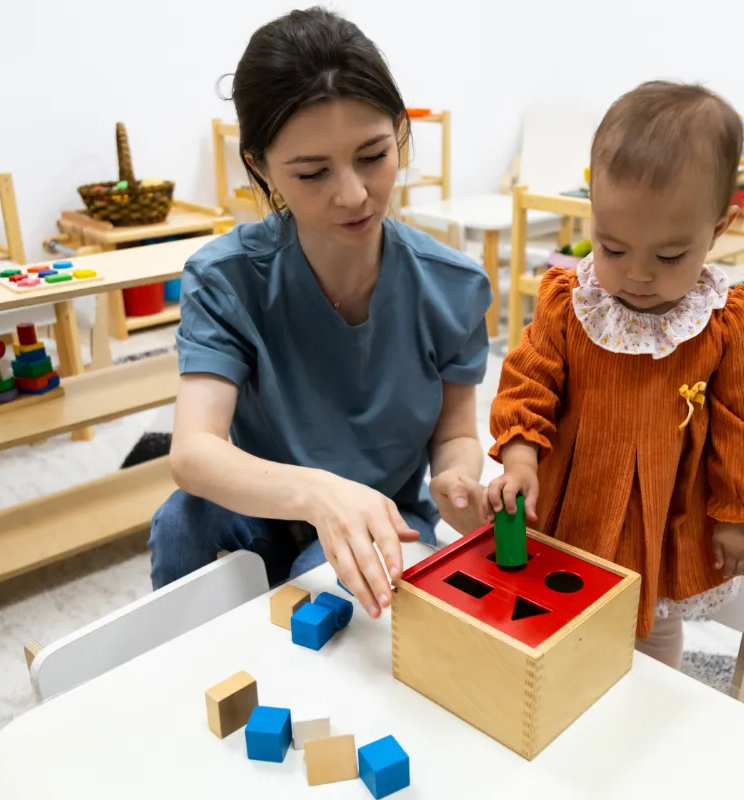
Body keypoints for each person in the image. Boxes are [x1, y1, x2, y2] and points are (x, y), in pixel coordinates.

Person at [149, 7, 493, 621]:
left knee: (331, 591)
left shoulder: (452, 286)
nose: (354, 195)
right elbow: (193, 452)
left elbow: (456, 432)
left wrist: (457, 480)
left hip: (387, 510)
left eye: (373, 155)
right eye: (313, 173)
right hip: (265, 506)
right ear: (259, 166)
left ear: (399, 131)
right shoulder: (227, 277)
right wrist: (318, 495)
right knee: (182, 521)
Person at [485, 81, 744, 669]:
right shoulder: (569, 301)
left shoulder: (729, 321)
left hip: (664, 512)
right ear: (592, 211)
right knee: (554, 615)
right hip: (574, 502)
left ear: (719, 228)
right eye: (612, 246)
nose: (637, 275)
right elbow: (528, 380)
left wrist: (737, 512)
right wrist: (520, 458)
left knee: (650, 631)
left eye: (670, 256)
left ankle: (645, 709)